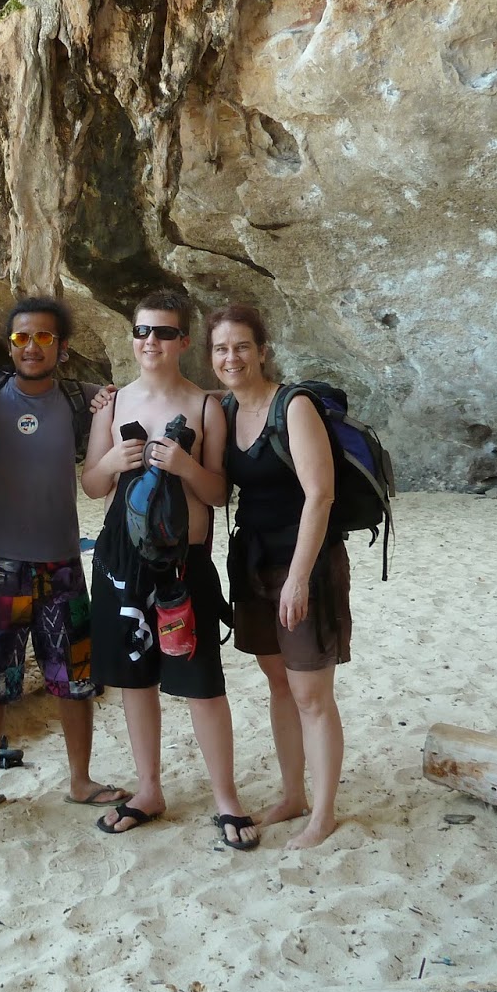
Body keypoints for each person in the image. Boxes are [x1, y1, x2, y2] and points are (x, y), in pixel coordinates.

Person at [81, 290, 258, 850]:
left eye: (163, 332)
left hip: (185, 563)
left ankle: (226, 797)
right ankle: (149, 790)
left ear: (183, 342)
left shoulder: (206, 407)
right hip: (122, 562)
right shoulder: (111, 404)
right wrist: (112, 461)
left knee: (202, 683)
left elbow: (219, 492)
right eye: (142, 331)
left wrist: (184, 465)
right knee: (136, 682)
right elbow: (93, 486)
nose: (150, 341)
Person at [0, 297, 130, 821]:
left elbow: (142, 398)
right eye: (21, 337)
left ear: (62, 348)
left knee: (75, 679)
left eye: (44, 337)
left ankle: (80, 780)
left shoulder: (79, 398)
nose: (32, 347)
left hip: (62, 565)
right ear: (9, 345)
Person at [210, 304, 350, 849]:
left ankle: (323, 813)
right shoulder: (225, 409)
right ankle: (293, 795)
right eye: (221, 348)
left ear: (263, 351)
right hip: (252, 561)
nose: (232, 357)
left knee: (311, 692)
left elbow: (321, 495)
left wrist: (298, 579)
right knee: (278, 684)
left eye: (242, 346)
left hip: (304, 563)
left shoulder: (293, 406)